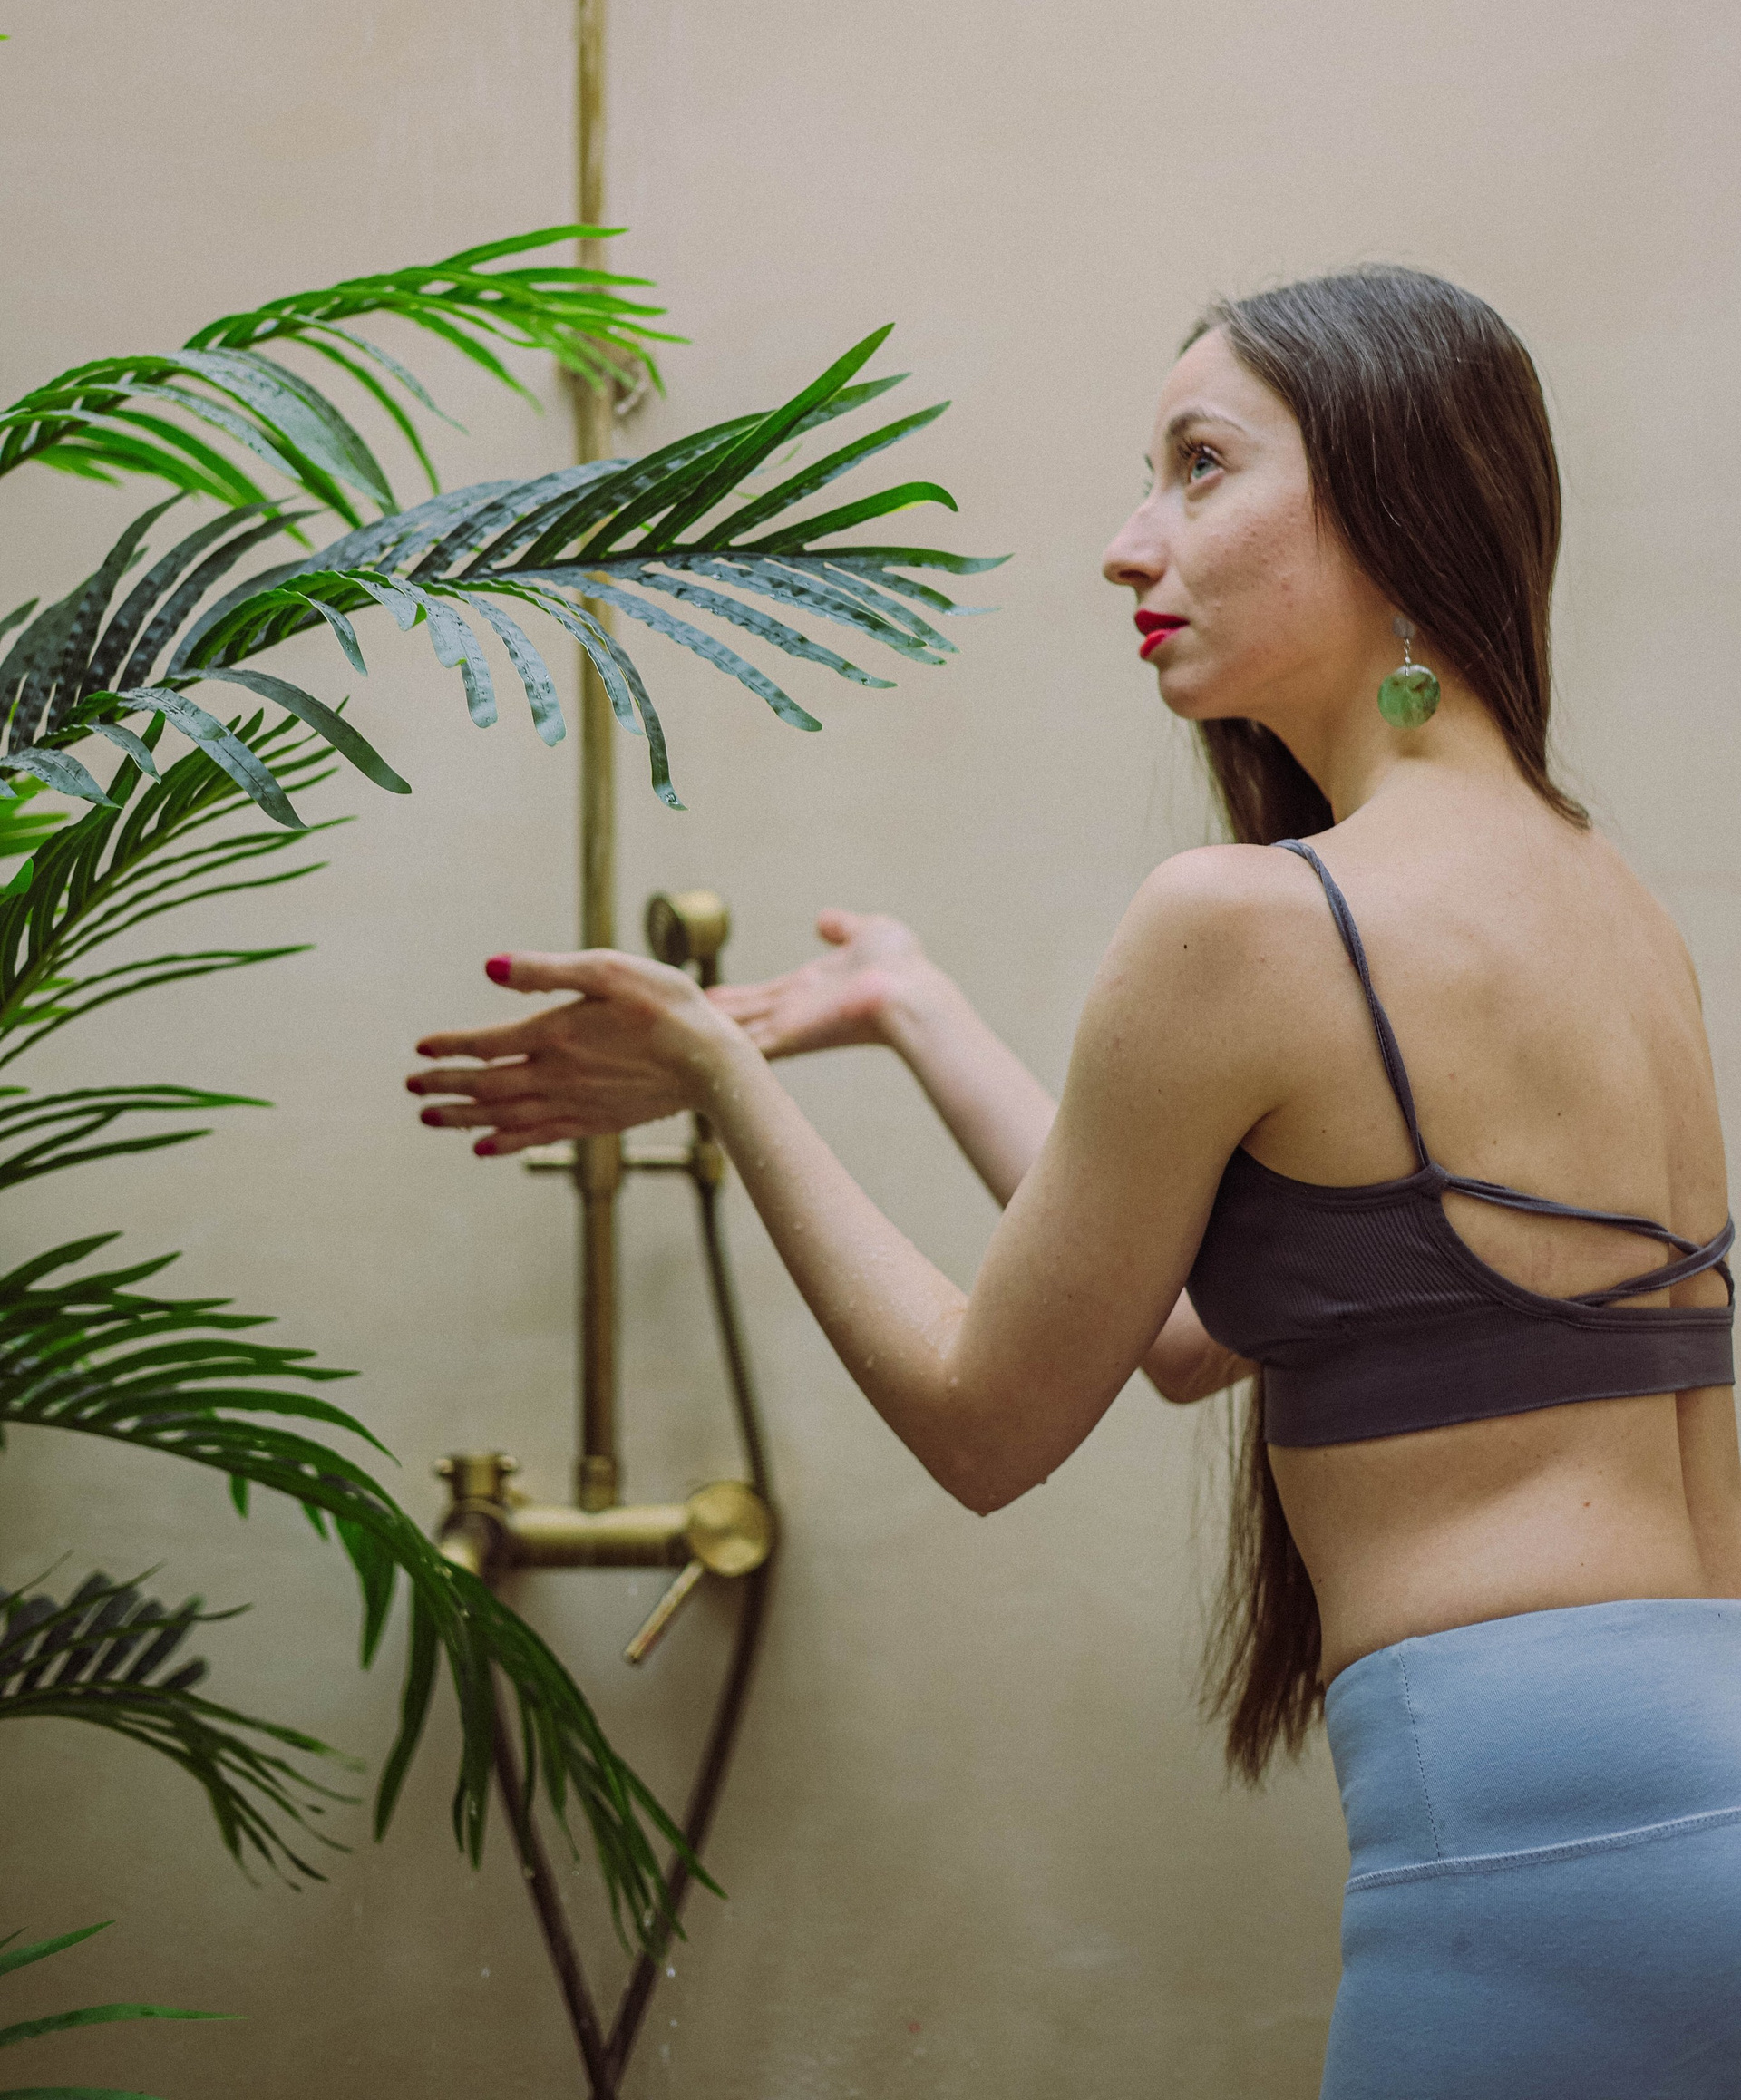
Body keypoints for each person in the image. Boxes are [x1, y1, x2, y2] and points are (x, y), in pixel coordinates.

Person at [406, 267, 1741, 2099]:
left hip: (1527, 1850)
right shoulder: (1616, 907)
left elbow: (984, 1424)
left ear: (1392, 500)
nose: (1129, 545)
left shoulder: (1249, 921)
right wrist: (916, 1007)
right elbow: (1187, 1335)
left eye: (1201, 466)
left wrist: (719, 1073)